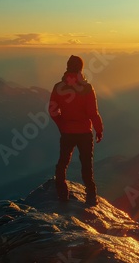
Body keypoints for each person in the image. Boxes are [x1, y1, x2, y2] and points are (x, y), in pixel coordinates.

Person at [48, 55, 103, 205]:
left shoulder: (58, 87)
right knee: (86, 164)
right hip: (84, 132)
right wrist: (99, 130)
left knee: (63, 163)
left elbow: (53, 110)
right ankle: (91, 196)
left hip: (67, 132)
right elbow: (93, 113)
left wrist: (62, 125)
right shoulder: (86, 88)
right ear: (80, 68)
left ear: (67, 67)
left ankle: (62, 195)